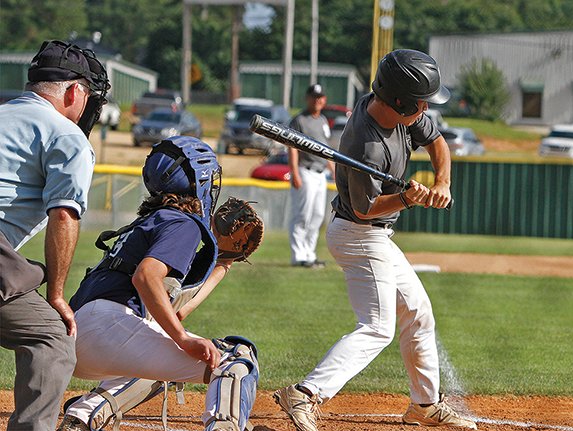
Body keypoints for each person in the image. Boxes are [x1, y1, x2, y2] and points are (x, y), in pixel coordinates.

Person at [272, 49, 477, 431]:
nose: (425, 110)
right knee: (378, 327)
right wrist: (406, 198)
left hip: (376, 236)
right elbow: (367, 209)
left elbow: (439, 146)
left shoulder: (396, 112)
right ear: (400, 102)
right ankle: (306, 392)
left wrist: (442, 182)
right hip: (358, 235)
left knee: (417, 312)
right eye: (422, 104)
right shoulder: (365, 145)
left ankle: (425, 405)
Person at [57, 137, 258, 431]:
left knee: (158, 357)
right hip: (107, 329)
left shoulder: (152, 222)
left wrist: (221, 266)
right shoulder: (183, 223)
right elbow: (146, 277)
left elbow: (172, 314)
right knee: (236, 360)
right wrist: (183, 339)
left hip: (76, 340)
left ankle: (84, 415)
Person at [0, 39, 109, 431]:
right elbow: (64, 213)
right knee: (51, 336)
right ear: (74, 91)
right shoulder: (65, 133)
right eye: (90, 95)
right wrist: (57, 295)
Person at [287, 84, 335, 268]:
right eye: (314, 97)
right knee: (302, 214)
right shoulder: (299, 120)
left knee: (317, 215)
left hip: (320, 173)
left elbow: (325, 149)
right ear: (307, 98)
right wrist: (294, 172)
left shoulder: (322, 120)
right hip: (304, 170)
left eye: (320, 97)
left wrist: (334, 170)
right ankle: (298, 255)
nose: (317, 100)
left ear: (324, 100)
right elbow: (292, 147)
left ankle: (309, 253)